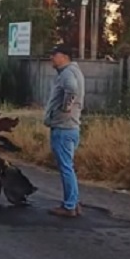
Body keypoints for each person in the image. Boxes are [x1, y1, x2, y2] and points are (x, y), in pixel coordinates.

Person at [43, 44, 85, 218]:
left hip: (63, 127)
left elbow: (72, 89)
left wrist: (65, 107)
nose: (52, 58)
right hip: (70, 127)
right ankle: (73, 203)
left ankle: (69, 206)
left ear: (64, 56)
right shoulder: (73, 71)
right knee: (68, 166)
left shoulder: (68, 73)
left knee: (66, 167)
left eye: (55, 54)